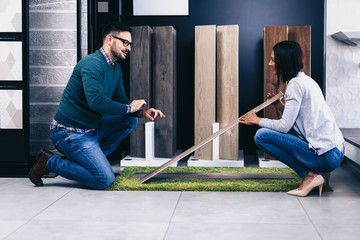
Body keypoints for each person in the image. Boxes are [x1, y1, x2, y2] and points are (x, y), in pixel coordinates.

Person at [29, 22, 165, 189]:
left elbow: (121, 100)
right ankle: (50, 162)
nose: (129, 48)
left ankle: (89, 160)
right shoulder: (92, 64)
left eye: (130, 44)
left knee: (130, 121)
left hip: (91, 128)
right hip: (69, 133)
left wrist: (141, 113)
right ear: (109, 39)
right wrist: (130, 108)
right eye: (125, 43)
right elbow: (96, 102)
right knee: (104, 180)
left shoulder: (115, 69)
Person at [239, 40, 344, 197]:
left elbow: (284, 127)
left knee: (261, 136)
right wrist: (279, 106)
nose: (269, 63)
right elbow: (303, 118)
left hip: (326, 156)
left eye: (273, 60)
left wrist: (256, 120)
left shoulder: (295, 85)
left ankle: (310, 176)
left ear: (284, 63)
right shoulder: (306, 80)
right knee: (266, 133)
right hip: (336, 150)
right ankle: (319, 172)